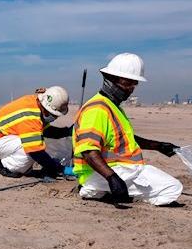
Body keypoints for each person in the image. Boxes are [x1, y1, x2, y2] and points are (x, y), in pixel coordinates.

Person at [72, 52, 183, 206]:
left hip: (117, 169)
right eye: (127, 83)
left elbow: (125, 139)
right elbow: (88, 151)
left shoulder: (112, 106)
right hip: (103, 173)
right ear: (109, 79)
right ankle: (96, 188)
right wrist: (112, 178)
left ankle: (97, 190)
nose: (131, 89)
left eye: (134, 84)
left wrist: (158, 146)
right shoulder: (98, 109)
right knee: (172, 188)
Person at [0, 86, 74, 177]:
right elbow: (36, 152)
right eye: (54, 114)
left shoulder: (35, 104)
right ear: (46, 108)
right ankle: (1, 165)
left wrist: (66, 132)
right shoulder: (30, 116)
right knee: (29, 148)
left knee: (37, 141)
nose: (55, 117)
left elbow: (45, 131)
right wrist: (58, 169)